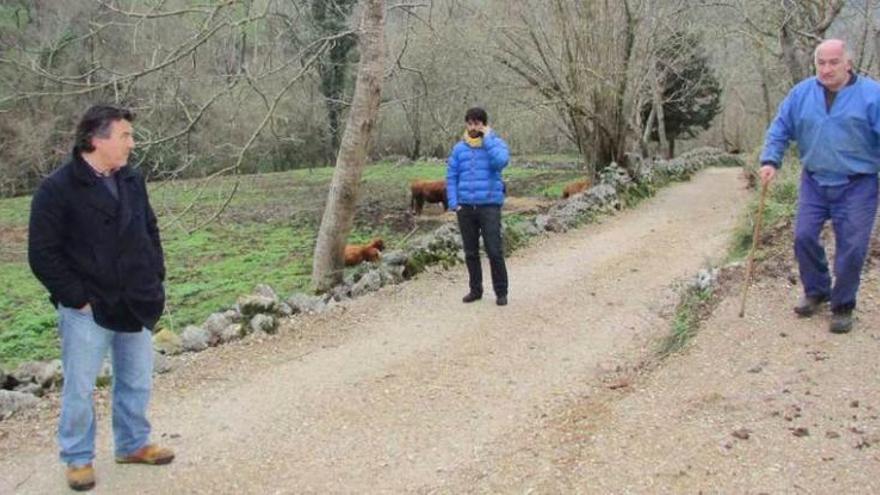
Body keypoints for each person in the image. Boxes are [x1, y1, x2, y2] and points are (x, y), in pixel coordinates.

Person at [28, 105, 174, 491]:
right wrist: (77, 299)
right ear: (97, 139)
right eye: (125, 135)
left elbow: (150, 228)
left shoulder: (131, 179)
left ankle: (133, 443)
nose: (132, 143)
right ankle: (77, 458)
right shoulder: (56, 189)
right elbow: (42, 253)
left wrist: (154, 277)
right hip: (88, 309)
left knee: (137, 379)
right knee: (80, 386)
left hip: (135, 299)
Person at [759, 39, 880, 334]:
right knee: (803, 237)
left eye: (833, 62)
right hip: (814, 180)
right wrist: (770, 160)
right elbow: (780, 128)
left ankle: (843, 305)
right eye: (821, 63)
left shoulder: (872, 95)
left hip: (858, 184)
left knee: (852, 248)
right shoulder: (801, 94)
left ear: (848, 64)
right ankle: (817, 290)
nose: (826, 69)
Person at [446, 107, 510, 306]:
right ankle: (475, 290)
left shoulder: (496, 143)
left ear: (484, 124)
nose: (473, 127)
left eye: (477, 123)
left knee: (494, 250)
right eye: (470, 123)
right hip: (465, 207)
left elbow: (501, 163)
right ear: (466, 124)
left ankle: (501, 291)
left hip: (489, 205)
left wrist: (488, 139)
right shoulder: (459, 149)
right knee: (470, 252)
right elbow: (452, 176)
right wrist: (454, 203)